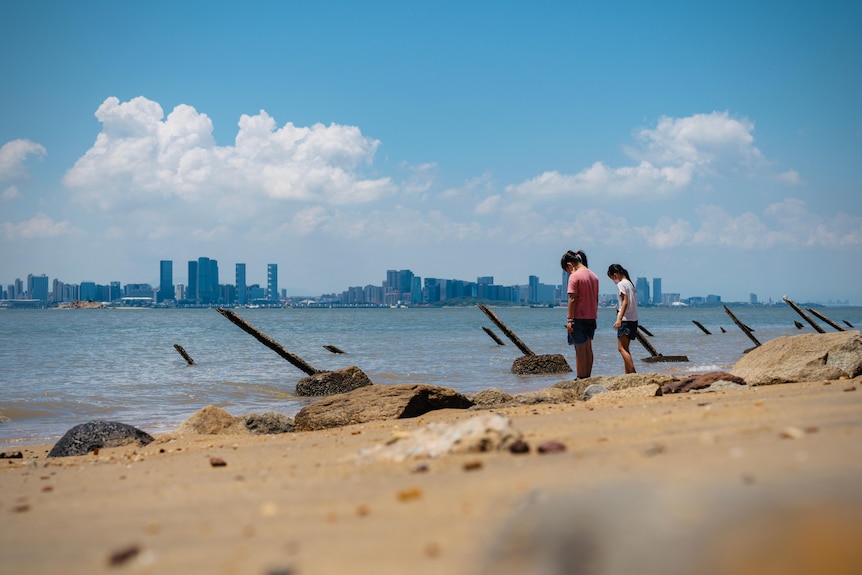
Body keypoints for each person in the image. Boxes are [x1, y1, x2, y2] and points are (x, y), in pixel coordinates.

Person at [561, 250, 599, 378]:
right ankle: (587, 376)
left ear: (569, 265)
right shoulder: (594, 276)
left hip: (578, 317)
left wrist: (570, 320)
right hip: (591, 317)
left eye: (567, 270)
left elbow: (572, 298)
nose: (568, 273)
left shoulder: (575, 276)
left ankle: (581, 377)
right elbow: (596, 298)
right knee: (588, 348)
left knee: (580, 349)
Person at [607, 263, 638, 374]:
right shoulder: (630, 284)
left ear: (615, 275)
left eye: (612, 278)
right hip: (633, 320)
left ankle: (633, 372)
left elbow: (625, 302)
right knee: (626, 348)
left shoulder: (621, 284)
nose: (613, 281)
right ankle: (627, 373)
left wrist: (619, 318)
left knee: (621, 348)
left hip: (625, 320)